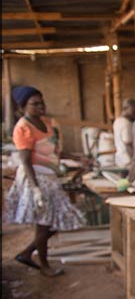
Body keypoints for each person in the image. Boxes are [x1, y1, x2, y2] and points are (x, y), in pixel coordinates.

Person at [4, 86, 85, 277]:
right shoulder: (23, 127)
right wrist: (35, 189)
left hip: (50, 177)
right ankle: (44, 266)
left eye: (42, 102)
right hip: (36, 178)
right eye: (35, 104)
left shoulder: (45, 124)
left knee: (55, 221)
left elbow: (55, 152)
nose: (40, 106)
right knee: (44, 223)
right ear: (23, 107)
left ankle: (26, 253)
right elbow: (25, 160)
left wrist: (77, 158)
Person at [112, 98, 135, 169]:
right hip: (127, 159)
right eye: (134, 111)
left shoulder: (117, 121)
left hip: (119, 158)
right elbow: (128, 142)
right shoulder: (126, 123)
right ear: (126, 109)